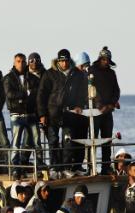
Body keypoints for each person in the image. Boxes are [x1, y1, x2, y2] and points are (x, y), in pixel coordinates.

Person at [37, 49, 88, 179]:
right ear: (58, 60)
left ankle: (66, 167)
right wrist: (42, 114)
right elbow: (41, 95)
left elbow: (83, 92)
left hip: (69, 113)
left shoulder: (77, 74)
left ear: (69, 60)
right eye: (61, 60)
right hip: (52, 113)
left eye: (66, 60)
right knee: (53, 140)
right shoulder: (49, 74)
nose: (64, 63)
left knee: (68, 141)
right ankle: (54, 167)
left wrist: (80, 105)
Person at [3, 53, 40, 178]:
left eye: (23, 61)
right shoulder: (8, 78)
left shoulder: (33, 78)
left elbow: (36, 94)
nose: (21, 63)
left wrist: (25, 96)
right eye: (18, 61)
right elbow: (9, 94)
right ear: (14, 62)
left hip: (31, 114)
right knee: (16, 143)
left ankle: (38, 165)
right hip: (16, 115)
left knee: (36, 141)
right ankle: (15, 168)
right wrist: (25, 94)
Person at [88, 46, 121, 175]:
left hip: (108, 112)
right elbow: (90, 89)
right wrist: (99, 104)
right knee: (93, 140)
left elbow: (116, 90)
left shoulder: (112, 73)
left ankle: (106, 167)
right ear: (100, 59)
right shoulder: (91, 70)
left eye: (107, 59)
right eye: (103, 59)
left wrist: (110, 104)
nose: (106, 62)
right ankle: (91, 167)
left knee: (107, 140)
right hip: (95, 112)